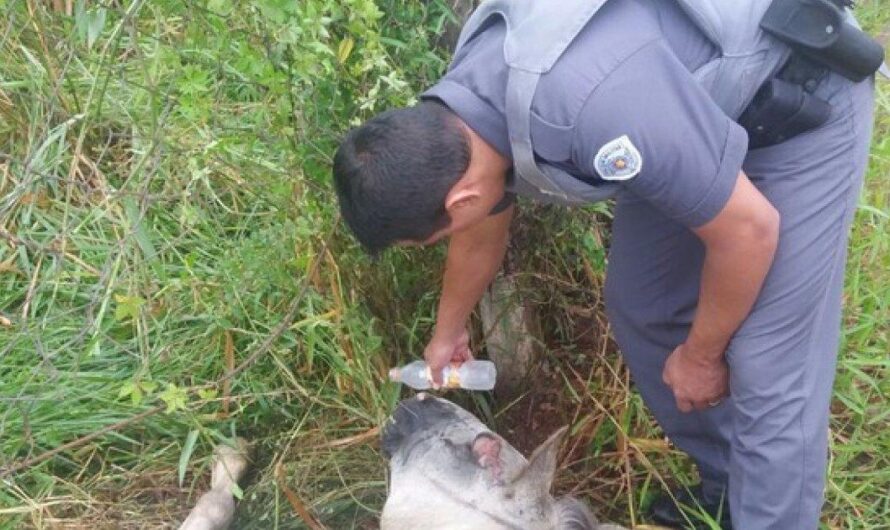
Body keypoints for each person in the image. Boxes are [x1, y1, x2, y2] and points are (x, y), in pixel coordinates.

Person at [331, 0, 879, 528]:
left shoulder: (586, 108)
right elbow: (482, 225)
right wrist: (448, 332)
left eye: (431, 237)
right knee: (643, 304)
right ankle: (732, 485)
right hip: (683, 116)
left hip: (797, 102)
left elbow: (748, 231)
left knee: (767, 363)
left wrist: (703, 355)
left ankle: (770, 515)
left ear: (457, 201)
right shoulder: (457, 121)